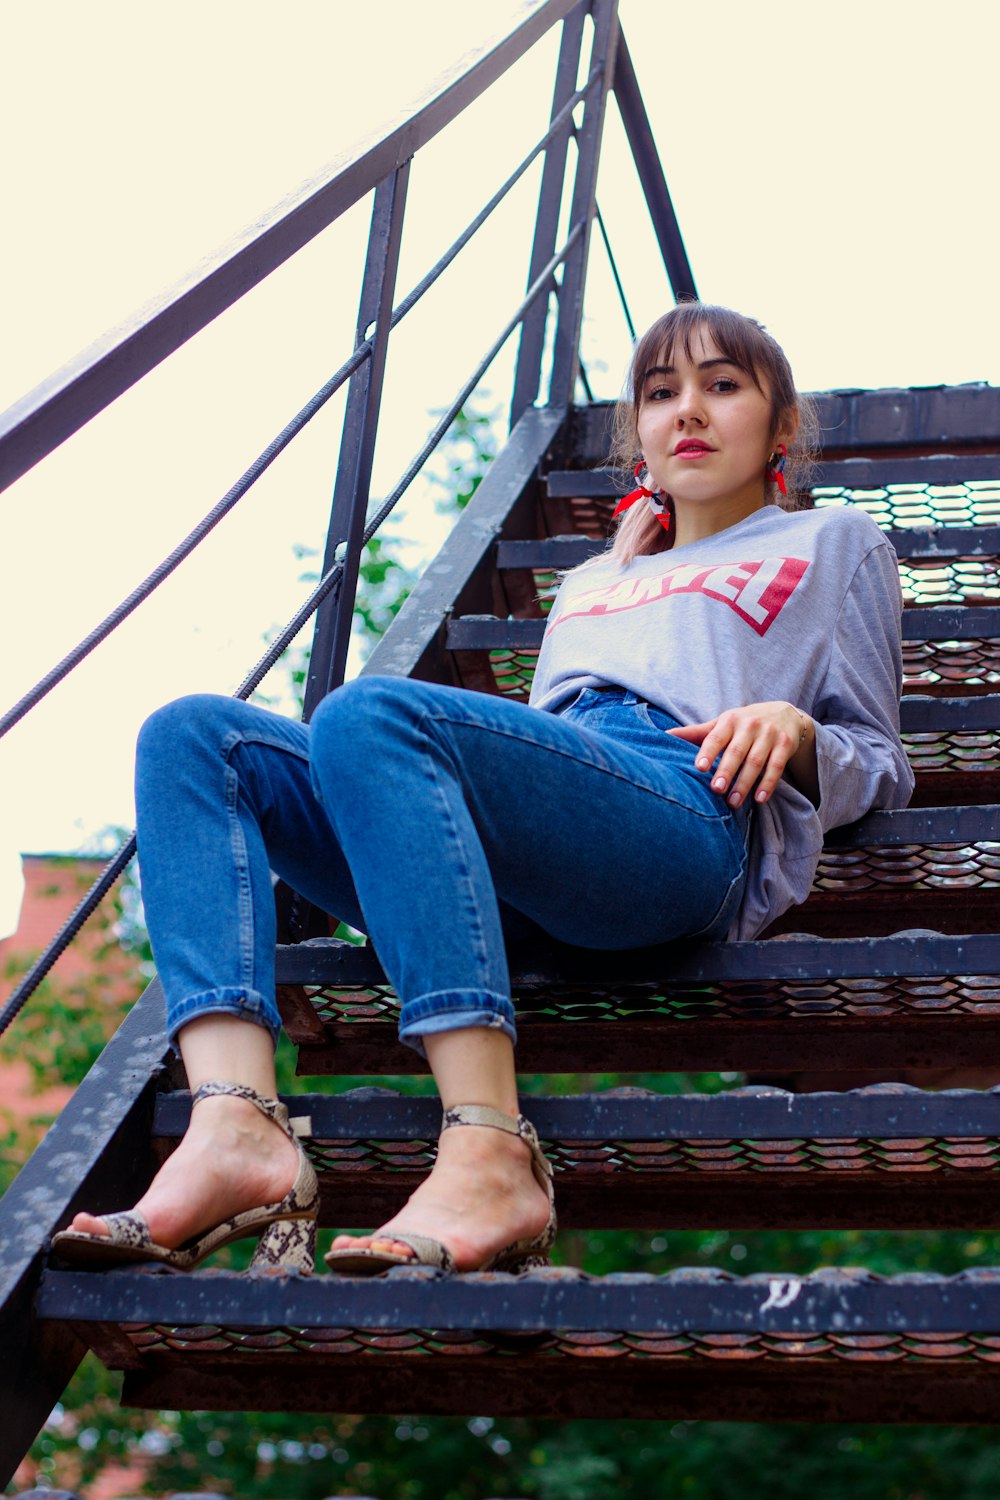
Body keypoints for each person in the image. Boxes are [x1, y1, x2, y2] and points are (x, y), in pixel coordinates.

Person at [52, 302, 914, 1277]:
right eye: (662, 392)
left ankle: (489, 1148)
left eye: (722, 385)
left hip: (681, 806)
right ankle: (235, 1129)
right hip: (546, 829)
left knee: (366, 714)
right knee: (194, 737)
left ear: (780, 427)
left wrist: (795, 730)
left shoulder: (834, 541)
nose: (689, 410)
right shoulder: (594, 578)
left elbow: (881, 761)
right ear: (639, 434)